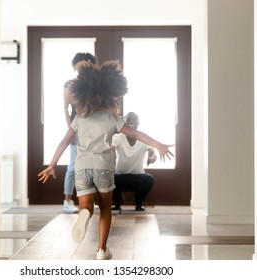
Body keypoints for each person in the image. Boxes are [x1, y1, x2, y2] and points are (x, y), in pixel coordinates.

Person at [38, 60, 174, 260]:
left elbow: (64, 142)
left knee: (86, 206)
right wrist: (158, 145)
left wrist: (51, 164)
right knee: (104, 209)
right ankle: (102, 250)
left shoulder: (80, 118)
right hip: (103, 167)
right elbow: (136, 134)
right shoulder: (112, 119)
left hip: (82, 168)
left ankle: (84, 213)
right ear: (109, 96)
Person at [62, 52, 97, 213]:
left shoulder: (95, 83)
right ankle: (67, 201)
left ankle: (89, 199)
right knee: (73, 165)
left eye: (87, 63)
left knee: (92, 165)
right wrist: (71, 131)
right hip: (77, 128)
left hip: (94, 128)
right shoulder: (70, 84)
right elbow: (66, 109)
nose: (82, 67)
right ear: (75, 66)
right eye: (79, 64)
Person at [111, 112, 157, 212]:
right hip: (120, 176)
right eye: (128, 120)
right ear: (124, 123)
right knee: (106, 177)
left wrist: (152, 158)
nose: (131, 121)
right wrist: (112, 156)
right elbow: (112, 148)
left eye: (134, 119)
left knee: (149, 179)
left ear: (138, 123)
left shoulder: (143, 138)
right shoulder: (118, 137)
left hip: (138, 177)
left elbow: (152, 152)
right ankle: (118, 201)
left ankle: (138, 202)